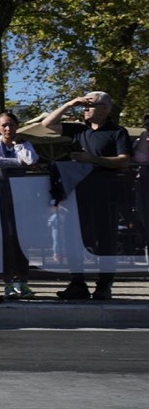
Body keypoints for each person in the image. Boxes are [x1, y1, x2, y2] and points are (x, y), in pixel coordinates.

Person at [41, 91, 131, 300]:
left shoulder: (117, 132)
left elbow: (124, 160)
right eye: (83, 106)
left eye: (89, 105)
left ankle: (104, 285)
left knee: (105, 239)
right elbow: (47, 124)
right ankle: (77, 283)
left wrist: (92, 159)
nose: (85, 109)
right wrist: (69, 103)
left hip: (106, 192)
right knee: (75, 237)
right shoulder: (79, 130)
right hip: (79, 193)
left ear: (105, 109)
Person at [0, 112, 39, 299]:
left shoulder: (22, 142)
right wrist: (18, 163)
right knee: (4, 239)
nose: (8, 129)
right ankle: (7, 282)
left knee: (22, 239)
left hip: (21, 196)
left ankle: (22, 281)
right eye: (4, 125)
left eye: (12, 125)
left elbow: (31, 160)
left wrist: (19, 145)